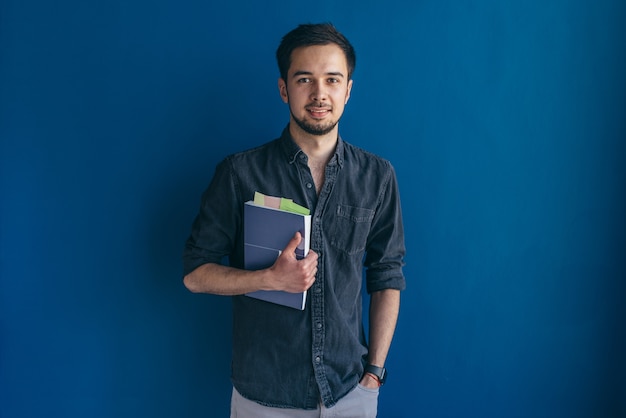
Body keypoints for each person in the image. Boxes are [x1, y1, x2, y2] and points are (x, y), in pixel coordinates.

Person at [183, 23, 406, 417]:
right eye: (305, 79)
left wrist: (373, 373)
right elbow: (195, 275)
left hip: (349, 392)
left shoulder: (378, 176)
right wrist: (268, 279)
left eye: (332, 80)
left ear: (348, 90)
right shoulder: (240, 174)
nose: (319, 93)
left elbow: (387, 274)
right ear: (285, 89)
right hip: (264, 396)